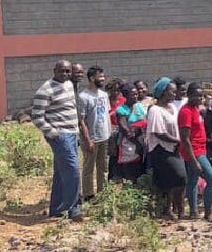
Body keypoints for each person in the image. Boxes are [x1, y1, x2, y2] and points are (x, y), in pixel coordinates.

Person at [32, 60, 82, 221]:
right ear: (54, 71)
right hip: (61, 136)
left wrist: (77, 132)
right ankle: (73, 209)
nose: (65, 74)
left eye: (68, 71)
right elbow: (37, 117)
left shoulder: (68, 85)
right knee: (73, 171)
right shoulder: (45, 90)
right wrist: (54, 133)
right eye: (62, 71)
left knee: (61, 172)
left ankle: (56, 208)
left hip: (72, 134)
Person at [146, 78, 187, 220]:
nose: (175, 94)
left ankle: (176, 210)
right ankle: (169, 209)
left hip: (174, 148)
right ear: (163, 92)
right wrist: (178, 141)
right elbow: (159, 133)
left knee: (172, 181)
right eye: (172, 91)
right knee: (179, 176)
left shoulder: (173, 108)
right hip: (161, 150)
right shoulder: (155, 110)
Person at [179, 82, 212, 222]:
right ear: (189, 95)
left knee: (192, 181)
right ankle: (208, 213)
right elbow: (185, 138)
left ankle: (193, 212)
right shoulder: (186, 112)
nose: (200, 99)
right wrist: (194, 161)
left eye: (201, 96)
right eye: (197, 96)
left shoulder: (195, 109)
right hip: (195, 152)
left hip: (200, 149)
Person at [77, 65, 110, 202]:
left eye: (103, 76)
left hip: (104, 137)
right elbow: (81, 121)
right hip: (91, 139)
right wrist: (88, 140)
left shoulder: (104, 95)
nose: (103, 79)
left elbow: (106, 115)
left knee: (103, 167)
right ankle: (88, 195)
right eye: (99, 77)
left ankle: (103, 193)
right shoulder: (83, 97)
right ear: (91, 78)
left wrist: (109, 133)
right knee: (88, 168)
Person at [115, 81, 146, 181]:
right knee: (130, 171)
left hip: (141, 142)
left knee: (140, 171)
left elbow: (144, 122)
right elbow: (127, 131)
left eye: (136, 94)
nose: (136, 96)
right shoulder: (121, 110)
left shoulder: (138, 107)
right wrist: (137, 143)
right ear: (126, 96)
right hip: (129, 145)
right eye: (133, 95)